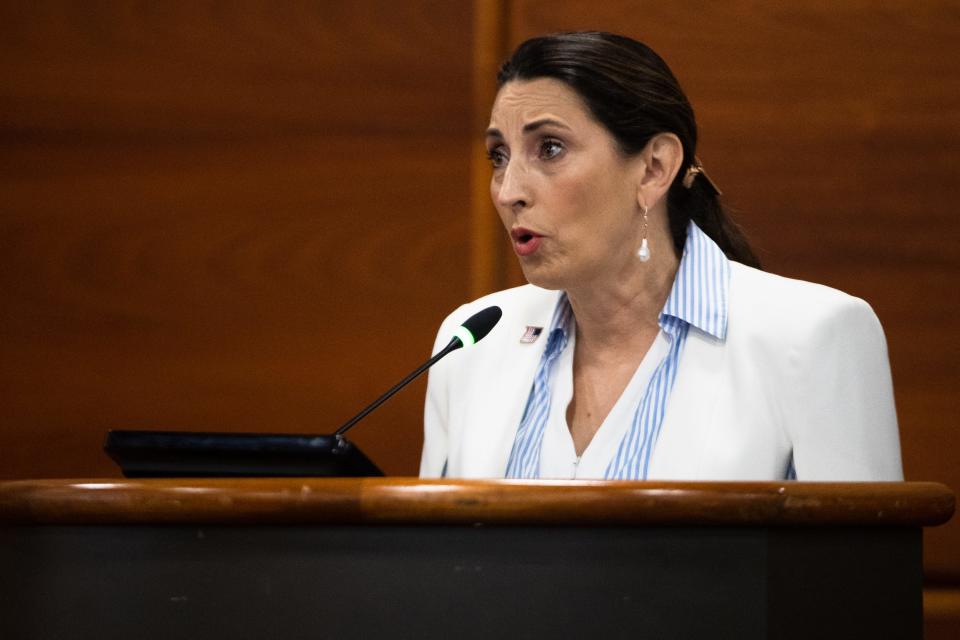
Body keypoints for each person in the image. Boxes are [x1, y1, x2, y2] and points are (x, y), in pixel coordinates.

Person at [420, 32, 902, 481]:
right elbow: (434, 564)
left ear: (654, 168)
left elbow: (858, 570)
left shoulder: (815, 335)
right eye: (498, 156)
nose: (508, 192)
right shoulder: (472, 342)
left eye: (549, 148)